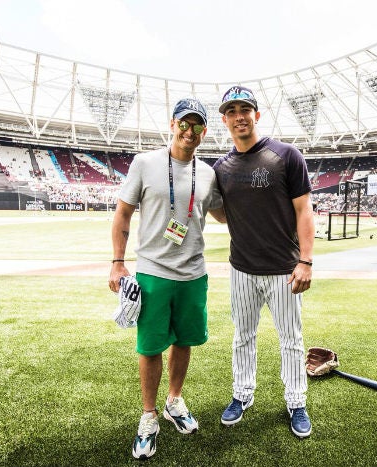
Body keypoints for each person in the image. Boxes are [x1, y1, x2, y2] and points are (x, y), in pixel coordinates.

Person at [108, 98, 225, 460]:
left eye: (197, 125)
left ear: (203, 131)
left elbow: (224, 215)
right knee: (150, 346)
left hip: (193, 273)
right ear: (172, 124)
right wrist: (117, 262)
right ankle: (148, 416)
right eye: (184, 123)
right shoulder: (145, 163)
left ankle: (174, 400)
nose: (189, 131)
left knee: (185, 341)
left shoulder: (209, 174)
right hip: (153, 273)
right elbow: (123, 214)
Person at [213, 86, 315, 438]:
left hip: (284, 269)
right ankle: (242, 395)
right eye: (232, 110)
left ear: (257, 115)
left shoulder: (286, 155)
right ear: (224, 119)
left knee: (291, 339)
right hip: (241, 267)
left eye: (245, 109)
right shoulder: (221, 167)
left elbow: (304, 211)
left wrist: (306, 261)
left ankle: (296, 401)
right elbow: (223, 217)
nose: (239, 115)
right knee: (243, 336)